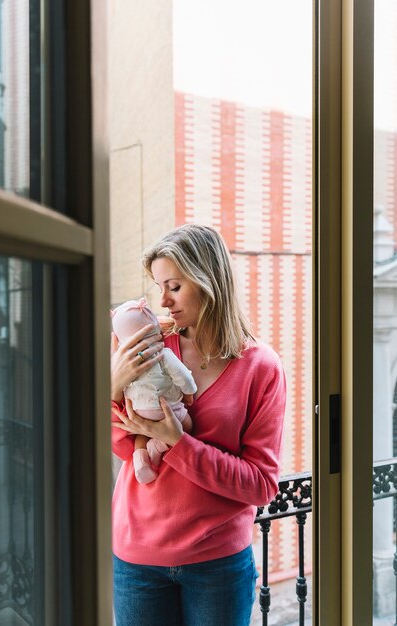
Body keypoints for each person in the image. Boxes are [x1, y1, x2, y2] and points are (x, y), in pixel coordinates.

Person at [111, 224, 286, 626]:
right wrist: (112, 385)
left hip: (218, 565)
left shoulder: (261, 368)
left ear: (207, 280)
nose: (163, 301)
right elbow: (122, 445)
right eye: (158, 287)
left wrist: (178, 444)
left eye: (173, 286)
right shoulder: (148, 346)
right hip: (138, 560)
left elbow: (260, 485)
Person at [111, 297, 197, 483]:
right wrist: (189, 393)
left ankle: (141, 460)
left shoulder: (119, 360)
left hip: (138, 409)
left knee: (142, 433)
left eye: (174, 287)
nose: (164, 301)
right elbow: (184, 377)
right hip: (166, 408)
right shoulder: (163, 352)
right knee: (187, 425)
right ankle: (158, 446)